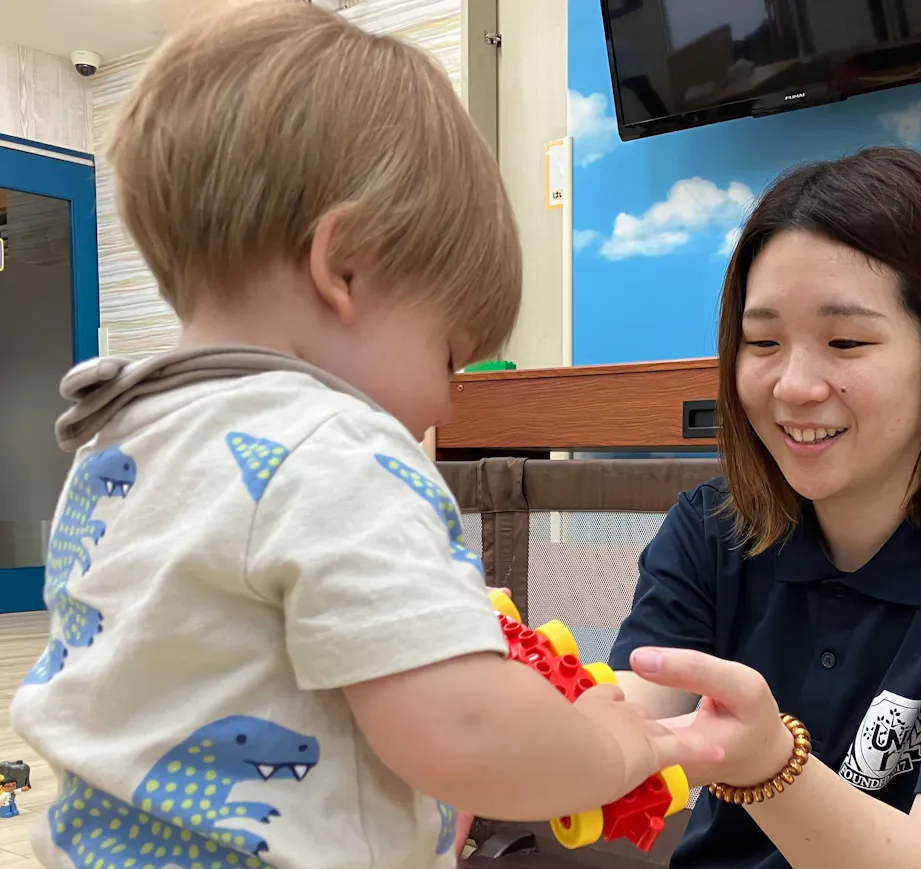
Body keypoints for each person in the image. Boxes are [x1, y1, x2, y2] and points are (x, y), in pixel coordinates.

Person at [8, 4, 718, 869]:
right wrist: (615, 749)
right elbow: (467, 728)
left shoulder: (116, 439)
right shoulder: (336, 449)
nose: (449, 408)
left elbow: (214, 679)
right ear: (345, 267)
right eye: (450, 357)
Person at [608, 147, 921, 869]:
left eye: (845, 341)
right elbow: (625, 717)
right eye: (762, 342)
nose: (794, 385)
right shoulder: (712, 527)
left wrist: (769, 763)